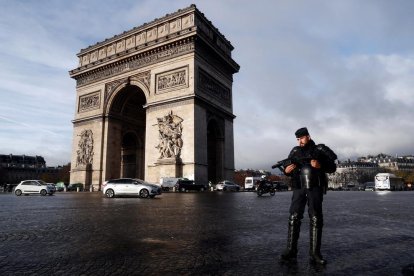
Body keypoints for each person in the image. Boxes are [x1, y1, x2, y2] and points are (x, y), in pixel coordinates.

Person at [279, 127, 337, 265]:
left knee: (316, 217)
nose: (300, 142)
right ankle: (291, 250)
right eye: (298, 139)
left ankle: (315, 253)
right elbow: (288, 167)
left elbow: (332, 167)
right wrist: (286, 171)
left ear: (308, 137)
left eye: (302, 138)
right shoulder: (295, 151)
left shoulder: (319, 149)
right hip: (298, 187)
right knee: (294, 217)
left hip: (315, 186)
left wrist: (320, 165)